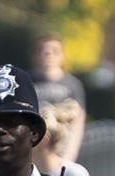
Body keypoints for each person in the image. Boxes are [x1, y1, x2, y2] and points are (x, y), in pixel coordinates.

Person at [32, 34, 86, 162]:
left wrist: (69, 155)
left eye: (54, 51)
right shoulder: (28, 82)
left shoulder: (72, 85)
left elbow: (78, 123)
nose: (48, 55)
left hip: (61, 151)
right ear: (35, 55)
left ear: (62, 56)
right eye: (43, 51)